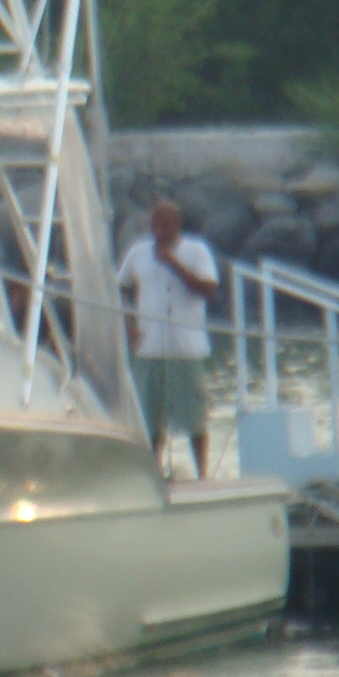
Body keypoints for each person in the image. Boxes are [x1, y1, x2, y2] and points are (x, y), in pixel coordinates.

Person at [117, 201, 219, 479]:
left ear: (178, 226)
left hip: (186, 348)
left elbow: (208, 289)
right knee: (151, 418)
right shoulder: (139, 252)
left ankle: (202, 473)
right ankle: (153, 473)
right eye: (155, 226)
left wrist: (175, 266)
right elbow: (122, 287)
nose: (158, 232)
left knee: (194, 416)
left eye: (165, 226)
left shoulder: (196, 252)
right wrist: (130, 326)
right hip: (150, 348)